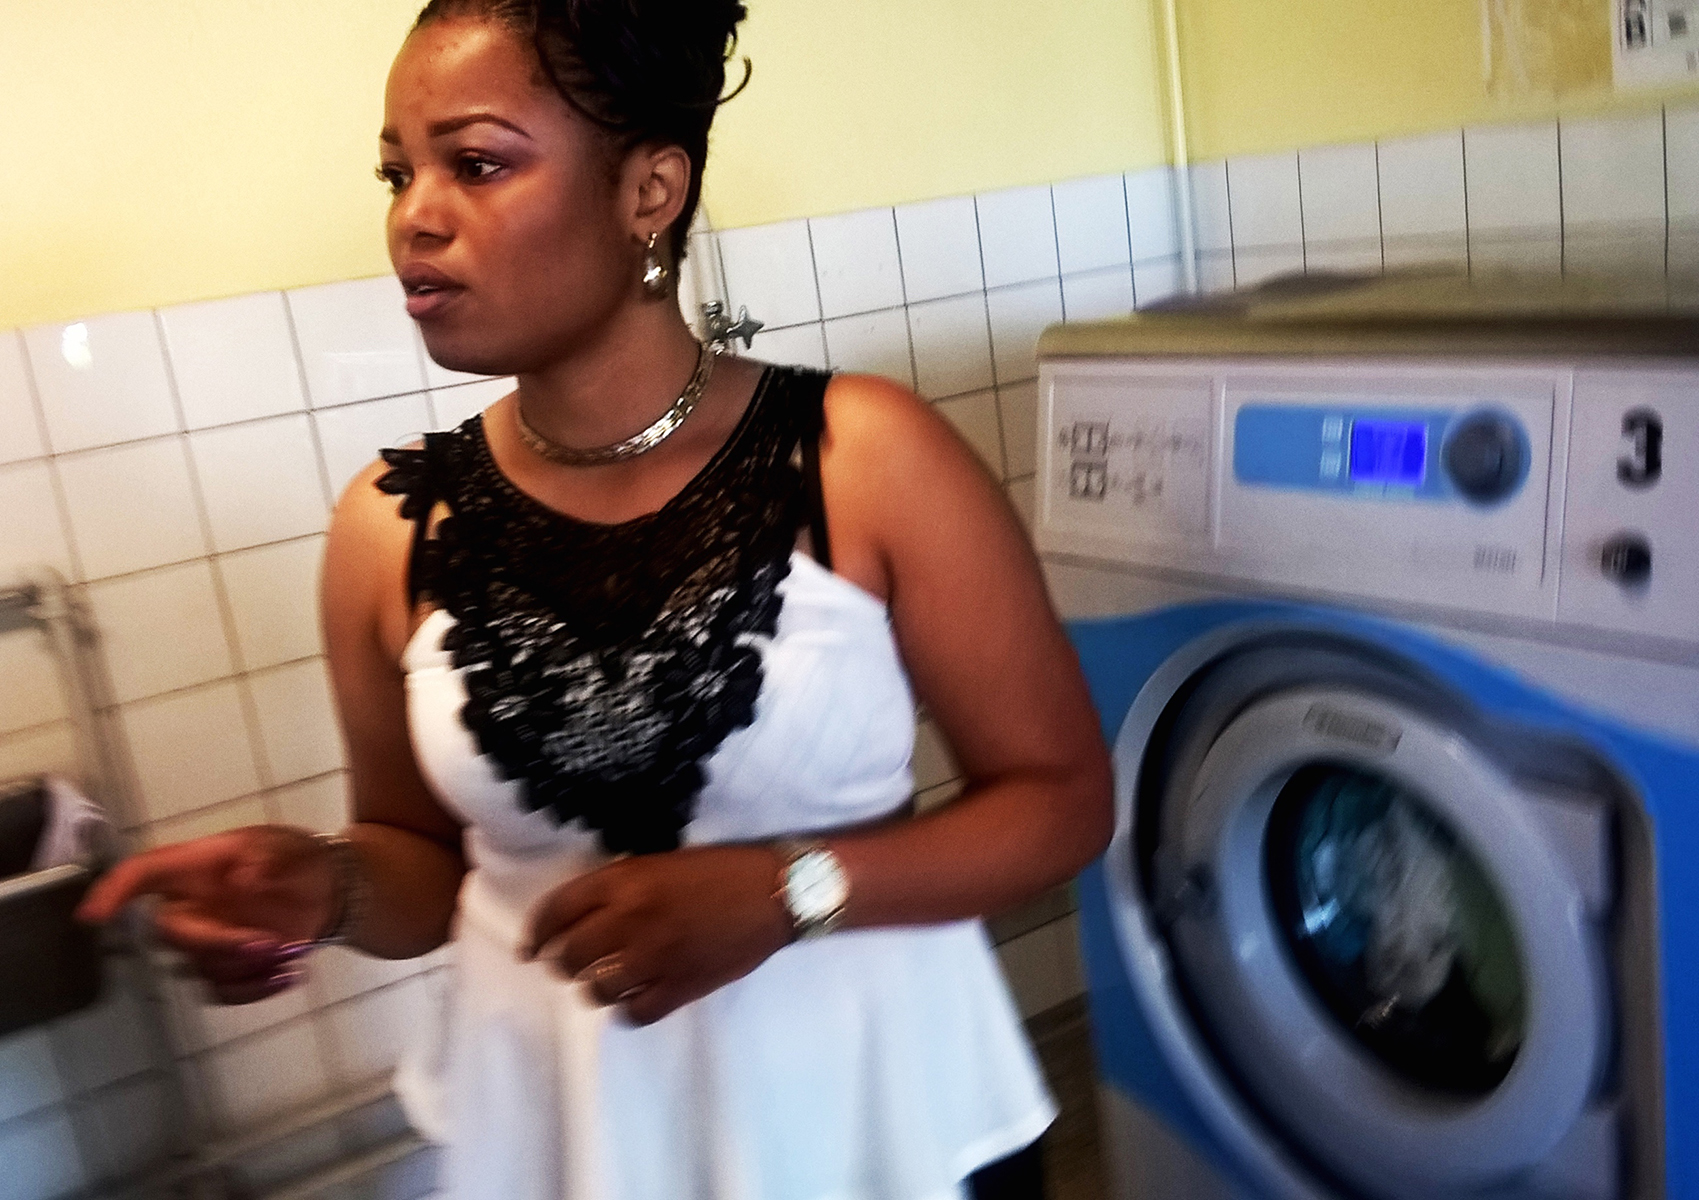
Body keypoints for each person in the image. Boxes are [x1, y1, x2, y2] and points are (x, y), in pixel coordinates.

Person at [77, 2, 1113, 1197]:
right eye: (397, 173)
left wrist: (787, 893)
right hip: (566, 1141)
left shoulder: (862, 459)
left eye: (475, 163)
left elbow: (1061, 803)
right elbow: (422, 866)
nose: (414, 216)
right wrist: (328, 884)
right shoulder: (391, 527)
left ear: (648, 191)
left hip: (883, 1126)